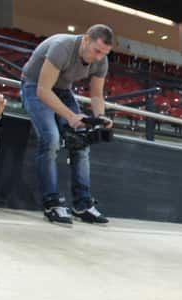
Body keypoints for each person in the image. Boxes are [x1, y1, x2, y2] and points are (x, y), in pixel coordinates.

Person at [21, 24, 114, 225]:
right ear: (86, 39)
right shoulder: (62, 47)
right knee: (51, 139)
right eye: (96, 51)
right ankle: (51, 203)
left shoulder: (101, 59)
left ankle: (82, 204)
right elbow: (43, 91)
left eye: (104, 53)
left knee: (81, 142)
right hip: (34, 86)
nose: (99, 57)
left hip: (63, 91)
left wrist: (100, 118)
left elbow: (97, 95)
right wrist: (71, 116)